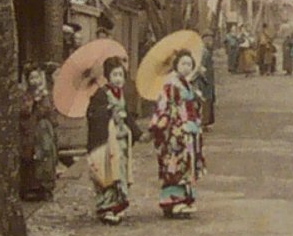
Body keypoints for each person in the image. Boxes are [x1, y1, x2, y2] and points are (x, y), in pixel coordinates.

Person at [151, 49, 204, 217]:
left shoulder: (187, 83)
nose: (186, 67)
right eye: (183, 63)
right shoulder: (171, 84)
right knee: (175, 164)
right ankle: (173, 201)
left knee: (187, 164)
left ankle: (183, 199)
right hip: (175, 131)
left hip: (189, 128)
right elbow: (166, 107)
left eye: (189, 64)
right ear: (176, 65)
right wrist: (177, 124)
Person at [86, 57, 138, 225]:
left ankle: (117, 204)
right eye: (115, 75)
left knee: (119, 171)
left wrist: (137, 133)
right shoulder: (101, 94)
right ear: (108, 76)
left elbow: (128, 117)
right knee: (108, 173)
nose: (118, 79)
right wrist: (107, 111)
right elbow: (92, 114)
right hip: (107, 141)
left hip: (120, 139)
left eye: (121, 75)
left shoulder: (120, 94)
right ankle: (106, 207)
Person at [19, 66, 59, 200]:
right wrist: (32, 102)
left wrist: (42, 101)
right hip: (30, 131)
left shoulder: (46, 95)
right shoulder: (25, 95)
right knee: (30, 157)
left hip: (44, 131)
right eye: (32, 78)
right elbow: (23, 112)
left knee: (46, 156)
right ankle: (30, 188)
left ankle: (45, 188)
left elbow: (51, 114)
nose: (35, 81)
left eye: (37, 77)